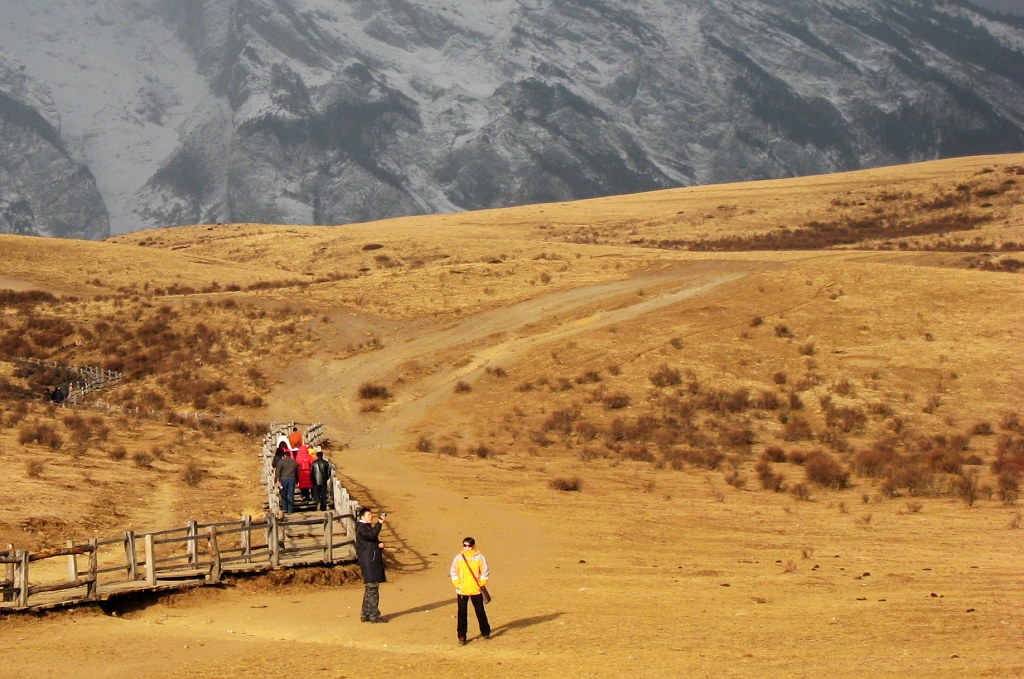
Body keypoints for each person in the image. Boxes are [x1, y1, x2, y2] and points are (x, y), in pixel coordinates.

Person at [450, 536, 491, 644]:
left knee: (480, 612)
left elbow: (485, 571)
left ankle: (486, 632)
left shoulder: (479, 557)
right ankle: (461, 636)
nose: (466, 547)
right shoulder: (459, 557)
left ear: (473, 546)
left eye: (469, 545)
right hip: (462, 590)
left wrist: (481, 583)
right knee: (462, 613)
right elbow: (453, 571)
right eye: (465, 545)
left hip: (476, 590)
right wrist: (458, 585)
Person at [355, 507, 388, 623]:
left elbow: (370, 540)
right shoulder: (362, 527)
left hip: (370, 560)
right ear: (362, 517)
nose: (371, 517)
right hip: (370, 562)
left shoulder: (363, 528)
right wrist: (379, 523)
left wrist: (378, 545)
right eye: (369, 515)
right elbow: (371, 535)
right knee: (373, 589)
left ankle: (366, 614)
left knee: (370, 589)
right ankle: (374, 615)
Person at [274, 450, 299, 514]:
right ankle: (290, 509)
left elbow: (278, 471)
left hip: (283, 478)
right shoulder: (294, 462)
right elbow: (297, 472)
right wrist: (297, 480)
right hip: (292, 478)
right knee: (291, 494)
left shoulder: (281, 462)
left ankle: (285, 508)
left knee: (284, 494)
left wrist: (277, 480)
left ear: (284, 455)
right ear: (290, 455)